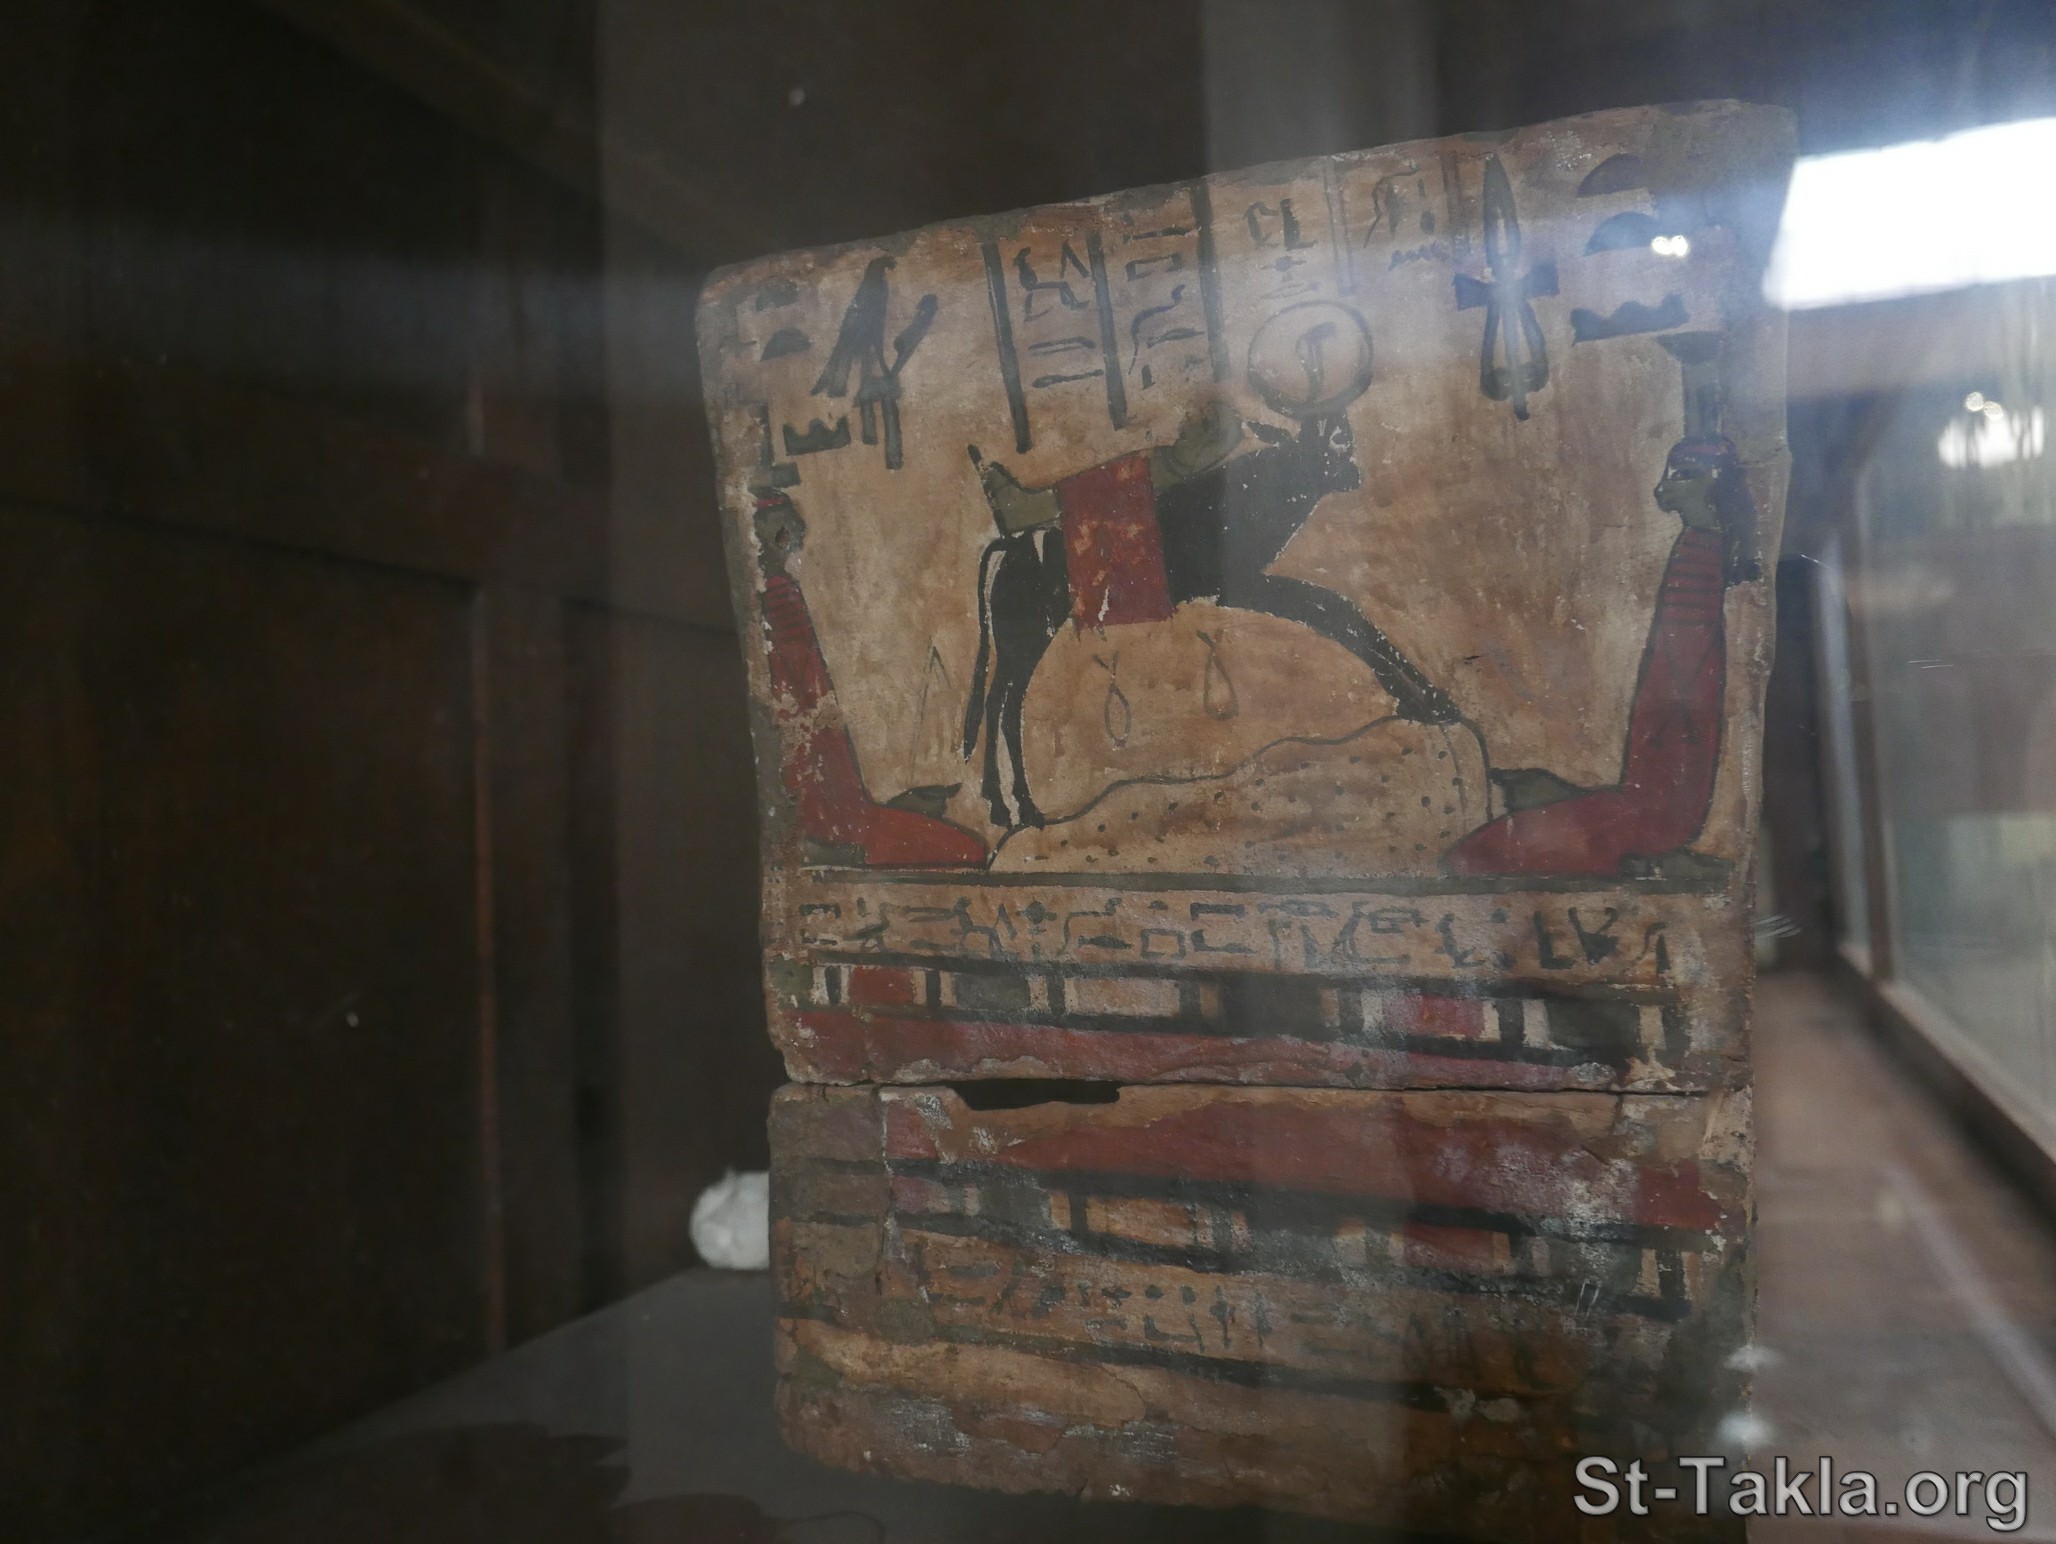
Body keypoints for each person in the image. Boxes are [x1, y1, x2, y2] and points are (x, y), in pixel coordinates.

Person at [1443, 436, 1756, 878]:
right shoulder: (1695, 549)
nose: (1664, 487)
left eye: (1684, 475)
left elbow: (1687, 668)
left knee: (1484, 856)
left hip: (1666, 780)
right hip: (1657, 762)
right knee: (1485, 853)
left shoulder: (1708, 555)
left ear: (1714, 483)